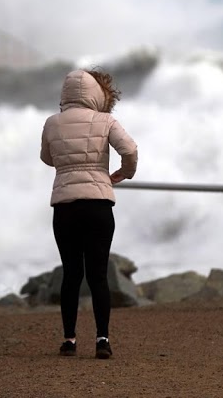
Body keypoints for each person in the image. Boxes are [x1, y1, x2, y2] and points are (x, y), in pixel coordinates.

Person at [40, 68, 138, 359]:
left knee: (71, 274)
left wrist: (68, 165)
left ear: (65, 94)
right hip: (98, 205)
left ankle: (69, 340)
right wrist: (123, 173)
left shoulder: (52, 123)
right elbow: (129, 150)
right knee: (98, 275)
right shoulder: (105, 120)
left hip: (65, 207)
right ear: (96, 93)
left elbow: (47, 157)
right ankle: (102, 340)